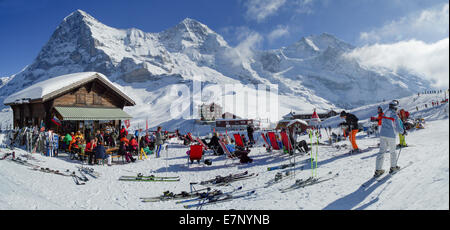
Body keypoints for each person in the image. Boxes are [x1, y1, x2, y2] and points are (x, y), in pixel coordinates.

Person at [374, 100, 406, 177]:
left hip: (383, 134)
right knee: (392, 151)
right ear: (395, 107)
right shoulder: (394, 115)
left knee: (381, 152)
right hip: (391, 135)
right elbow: (398, 128)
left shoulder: (385, 113)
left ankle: (378, 170)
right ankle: (393, 167)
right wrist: (403, 132)